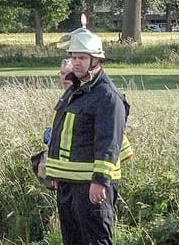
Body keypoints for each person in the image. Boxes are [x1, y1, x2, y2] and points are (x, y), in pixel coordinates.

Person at [47, 28, 131, 245]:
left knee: (95, 241)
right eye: (73, 57)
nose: (76, 62)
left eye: (82, 58)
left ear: (96, 60)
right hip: (69, 182)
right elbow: (63, 134)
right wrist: (54, 172)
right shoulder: (74, 90)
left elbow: (108, 143)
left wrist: (100, 181)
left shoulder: (107, 96)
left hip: (91, 186)